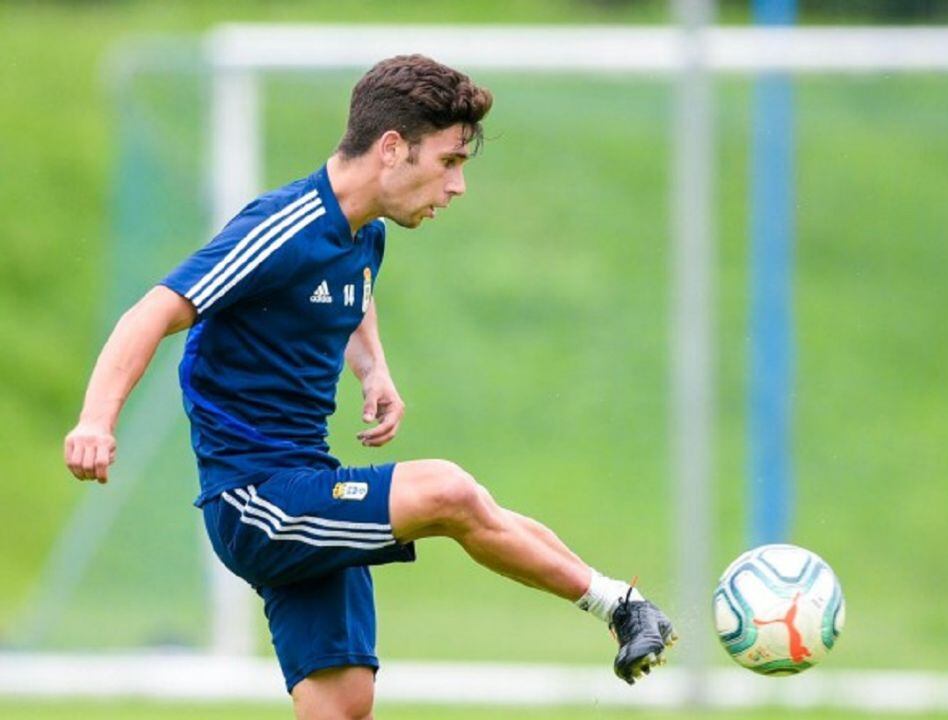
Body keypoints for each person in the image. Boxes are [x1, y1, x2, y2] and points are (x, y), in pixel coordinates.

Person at [64, 54, 675, 719]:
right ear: (391, 149)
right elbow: (151, 312)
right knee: (450, 493)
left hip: (307, 482)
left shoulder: (364, 233)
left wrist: (372, 367)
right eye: (448, 162)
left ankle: (620, 603)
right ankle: (620, 605)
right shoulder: (280, 230)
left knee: (344, 705)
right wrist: (97, 421)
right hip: (256, 500)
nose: (459, 186)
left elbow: (351, 293)